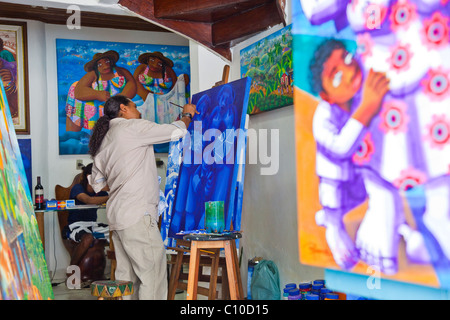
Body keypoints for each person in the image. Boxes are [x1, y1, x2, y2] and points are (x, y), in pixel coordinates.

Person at [88, 94, 198, 300]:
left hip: (118, 217)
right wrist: (187, 115)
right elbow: (176, 131)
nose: (139, 112)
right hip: (136, 214)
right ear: (123, 109)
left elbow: (97, 185)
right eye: (135, 107)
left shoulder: (105, 140)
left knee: (127, 279)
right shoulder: (132, 128)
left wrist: (122, 179)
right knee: (153, 275)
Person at [310, 39, 390, 270]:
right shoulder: (323, 116)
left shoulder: (357, 96)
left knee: (367, 195)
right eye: (336, 76)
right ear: (326, 95)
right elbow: (340, 147)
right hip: (335, 179)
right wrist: (367, 109)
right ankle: (332, 225)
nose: (348, 71)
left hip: (360, 173)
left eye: (347, 59)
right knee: (334, 204)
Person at [65, 50, 137, 132]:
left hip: (117, 103)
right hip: (94, 104)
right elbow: (78, 91)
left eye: (107, 61)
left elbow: (132, 83)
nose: (105, 66)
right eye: (100, 64)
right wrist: (97, 94)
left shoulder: (121, 71)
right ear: (96, 66)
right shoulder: (93, 74)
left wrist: (122, 96)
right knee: (79, 124)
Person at [62, 163, 109, 268]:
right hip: (76, 225)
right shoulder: (78, 188)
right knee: (87, 238)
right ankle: (71, 271)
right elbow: (88, 200)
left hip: (93, 225)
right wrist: (110, 197)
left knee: (117, 234)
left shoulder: (100, 192)